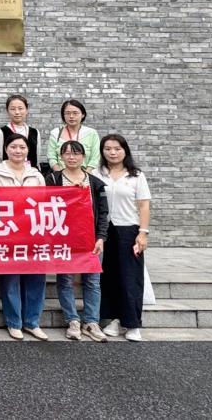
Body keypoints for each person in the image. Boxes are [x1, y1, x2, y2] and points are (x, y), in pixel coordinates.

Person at [45, 140, 109, 342]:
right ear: (61, 156)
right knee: (65, 279)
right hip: (64, 238)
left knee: (93, 281)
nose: (71, 157)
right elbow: (46, 206)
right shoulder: (53, 179)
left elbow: (103, 213)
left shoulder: (95, 182)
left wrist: (101, 237)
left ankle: (91, 321)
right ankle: (72, 320)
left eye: (76, 153)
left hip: (90, 239)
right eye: (67, 153)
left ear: (84, 156)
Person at [0, 133, 48, 341]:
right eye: (13, 147)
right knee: (10, 277)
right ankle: (14, 322)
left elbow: (43, 202)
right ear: (6, 149)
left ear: (28, 150)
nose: (18, 151)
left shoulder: (36, 175)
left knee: (36, 277)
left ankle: (32, 322)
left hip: (33, 231)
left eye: (22, 147)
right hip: (7, 232)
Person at [95, 134, 151, 342]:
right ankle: (114, 319)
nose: (112, 152)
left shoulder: (136, 175)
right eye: (108, 149)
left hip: (129, 230)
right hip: (104, 231)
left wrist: (143, 233)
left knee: (130, 278)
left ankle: (133, 324)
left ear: (125, 150)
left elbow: (144, 205)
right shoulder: (97, 173)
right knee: (109, 277)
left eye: (117, 148)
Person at [47, 99, 101, 173]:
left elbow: (95, 158)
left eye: (75, 113)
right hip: (61, 174)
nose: (71, 116)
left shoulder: (91, 133)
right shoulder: (55, 133)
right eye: (67, 113)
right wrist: (61, 174)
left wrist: (86, 175)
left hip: (86, 174)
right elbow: (51, 157)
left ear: (83, 115)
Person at [0, 94, 41, 169]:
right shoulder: (1, 132)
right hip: (7, 173)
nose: (17, 112)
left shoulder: (35, 132)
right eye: (12, 109)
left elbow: (37, 159)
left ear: (26, 110)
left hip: (30, 173)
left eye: (20, 108)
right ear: (7, 111)